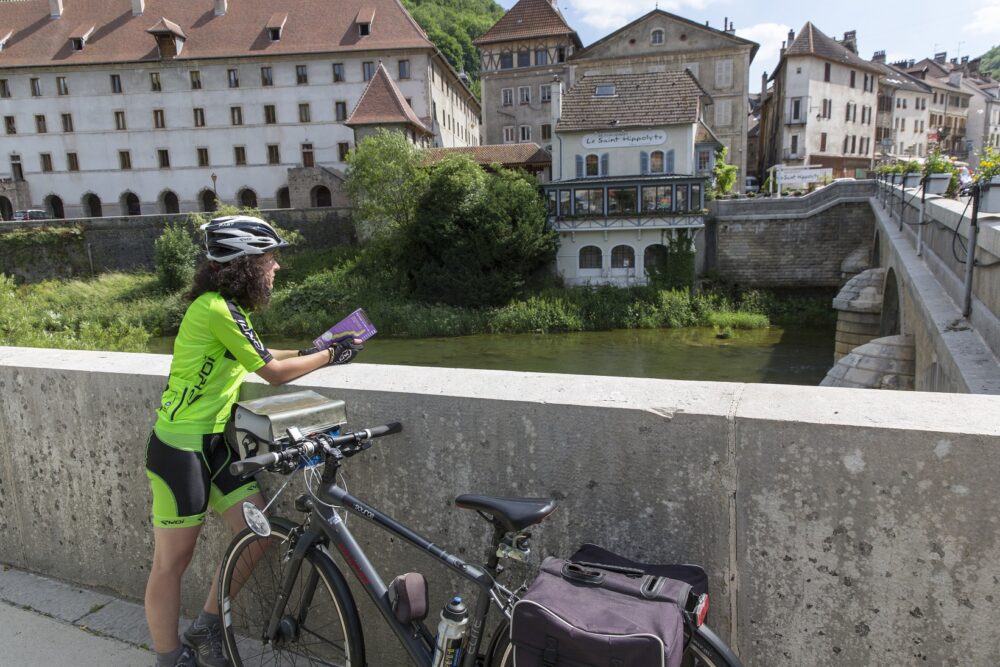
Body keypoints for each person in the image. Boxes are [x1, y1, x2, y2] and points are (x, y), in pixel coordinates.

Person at [144, 215, 362, 667]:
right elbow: (273, 374)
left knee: (256, 532)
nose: (276, 266)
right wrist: (331, 355)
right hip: (180, 450)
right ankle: (170, 658)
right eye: (269, 257)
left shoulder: (226, 308)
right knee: (172, 562)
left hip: (215, 445)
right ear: (245, 263)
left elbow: (262, 354)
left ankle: (205, 628)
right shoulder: (214, 309)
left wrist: (317, 349)